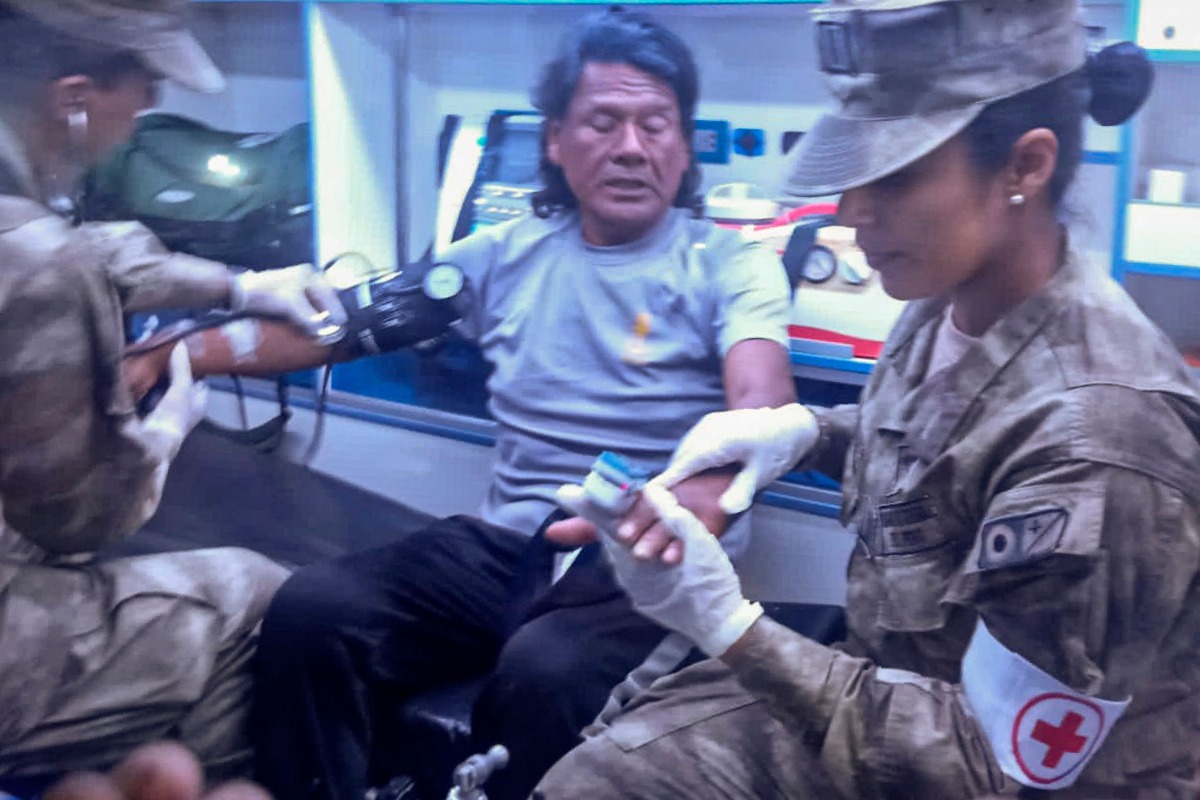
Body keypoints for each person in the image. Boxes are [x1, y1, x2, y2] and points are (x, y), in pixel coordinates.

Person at [534, 1, 1200, 798]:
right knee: (605, 752)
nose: (851, 212)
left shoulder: (1106, 436)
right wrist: (807, 433)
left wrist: (730, 627)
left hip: (983, 769)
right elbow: (960, 457)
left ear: (1024, 167)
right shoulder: (953, 295)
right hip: (895, 689)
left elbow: (992, 767)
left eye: (898, 174)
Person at [241, 9, 796, 800]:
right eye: (604, 122)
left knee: (547, 672)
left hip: (642, 564)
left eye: (656, 125)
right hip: (508, 549)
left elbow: (761, 399)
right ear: (555, 141)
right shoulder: (501, 253)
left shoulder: (729, 263)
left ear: (682, 144)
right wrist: (176, 352)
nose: (632, 147)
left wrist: (704, 498)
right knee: (312, 612)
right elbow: (345, 326)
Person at [0, 0, 342, 782]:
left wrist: (239, 284)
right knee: (256, 601)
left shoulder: (36, 232)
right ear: (74, 97)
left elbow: (74, 249)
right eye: (146, 85)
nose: (153, 109)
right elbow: (79, 519)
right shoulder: (44, 262)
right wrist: (160, 437)